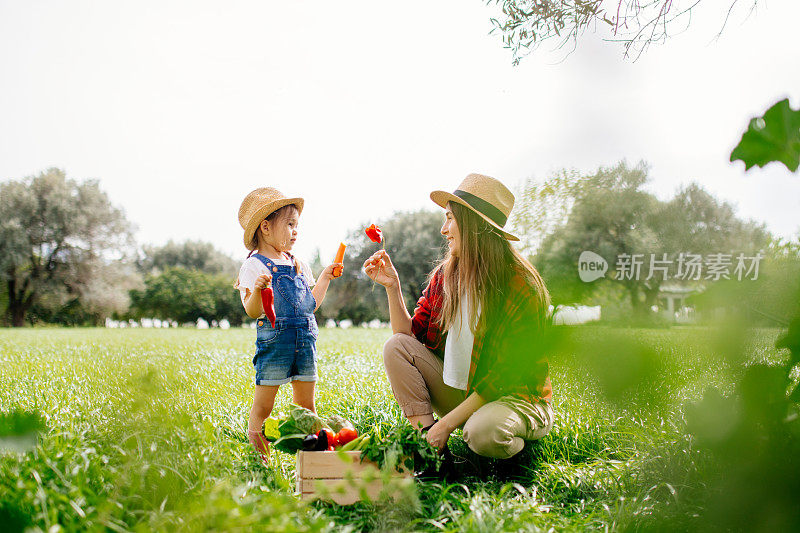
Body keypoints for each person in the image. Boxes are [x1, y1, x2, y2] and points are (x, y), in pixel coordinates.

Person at [364, 173, 554, 460]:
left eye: (450, 218)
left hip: (516, 399)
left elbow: (502, 378)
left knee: (483, 434)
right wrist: (393, 287)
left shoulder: (520, 286)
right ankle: (432, 454)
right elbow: (408, 339)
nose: (443, 229)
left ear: (474, 225)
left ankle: (520, 453)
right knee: (395, 347)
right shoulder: (446, 276)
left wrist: (446, 424)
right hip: (467, 395)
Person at [235, 187, 341, 456]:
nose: (296, 231)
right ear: (266, 227)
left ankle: (312, 459)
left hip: (305, 342)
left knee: (307, 406)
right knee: (264, 407)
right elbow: (251, 310)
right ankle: (261, 457)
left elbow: (309, 305)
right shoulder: (253, 266)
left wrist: (325, 278)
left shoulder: (299, 264)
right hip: (275, 345)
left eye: (297, 225)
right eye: (290, 224)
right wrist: (259, 290)